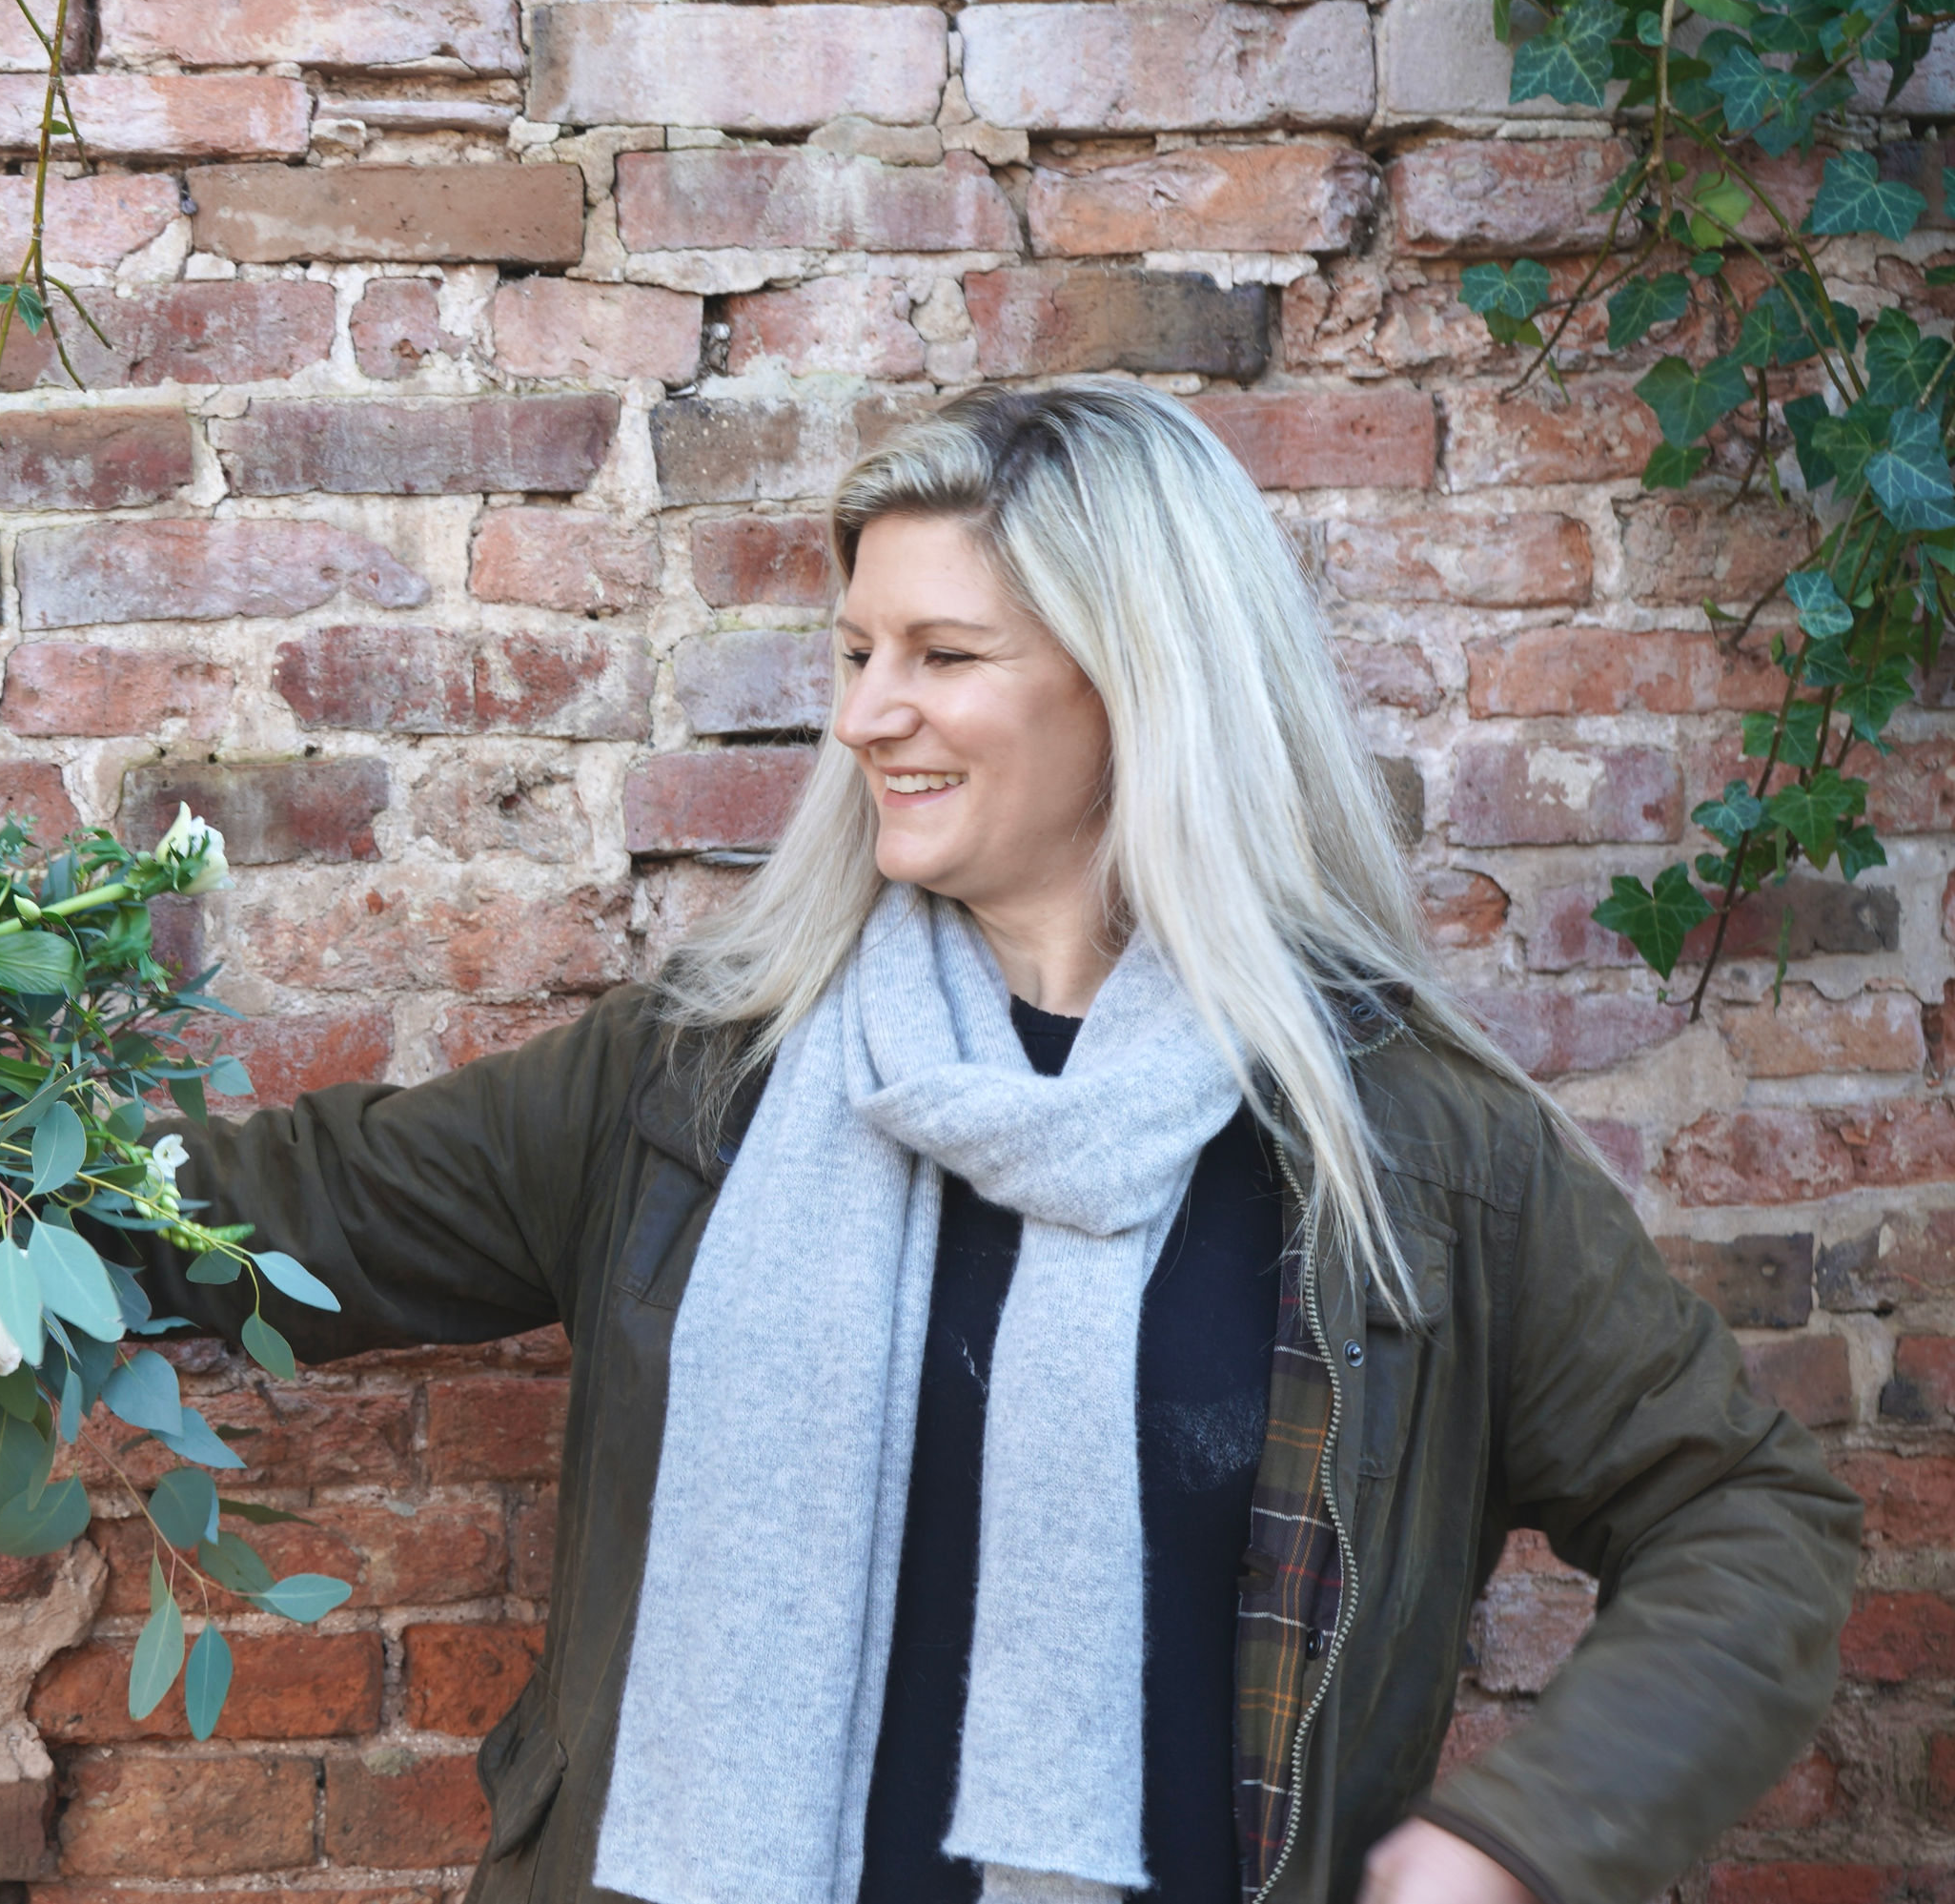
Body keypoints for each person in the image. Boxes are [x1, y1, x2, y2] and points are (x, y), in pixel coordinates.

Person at [114, 378, 1860, 1904]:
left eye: (944, 656)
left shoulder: (1402, 1147)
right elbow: (291, 1213)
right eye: (858, 652)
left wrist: (1519, 1840)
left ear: (1141, 688)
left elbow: (1746, 1512)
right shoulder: (694, 1084)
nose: (866, 713)